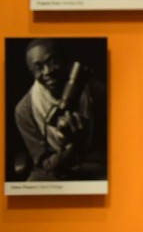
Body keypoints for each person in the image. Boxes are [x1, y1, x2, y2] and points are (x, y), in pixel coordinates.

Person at [13, 39, 107, 182]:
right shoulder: (25, 110)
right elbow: (45, 163)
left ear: (66, 61)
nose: (48, 71)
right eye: (38, 67)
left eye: (53, 62)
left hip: (94, 163)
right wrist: (73, 145)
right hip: (55, 169)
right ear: (31, 71)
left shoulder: (96, 92)